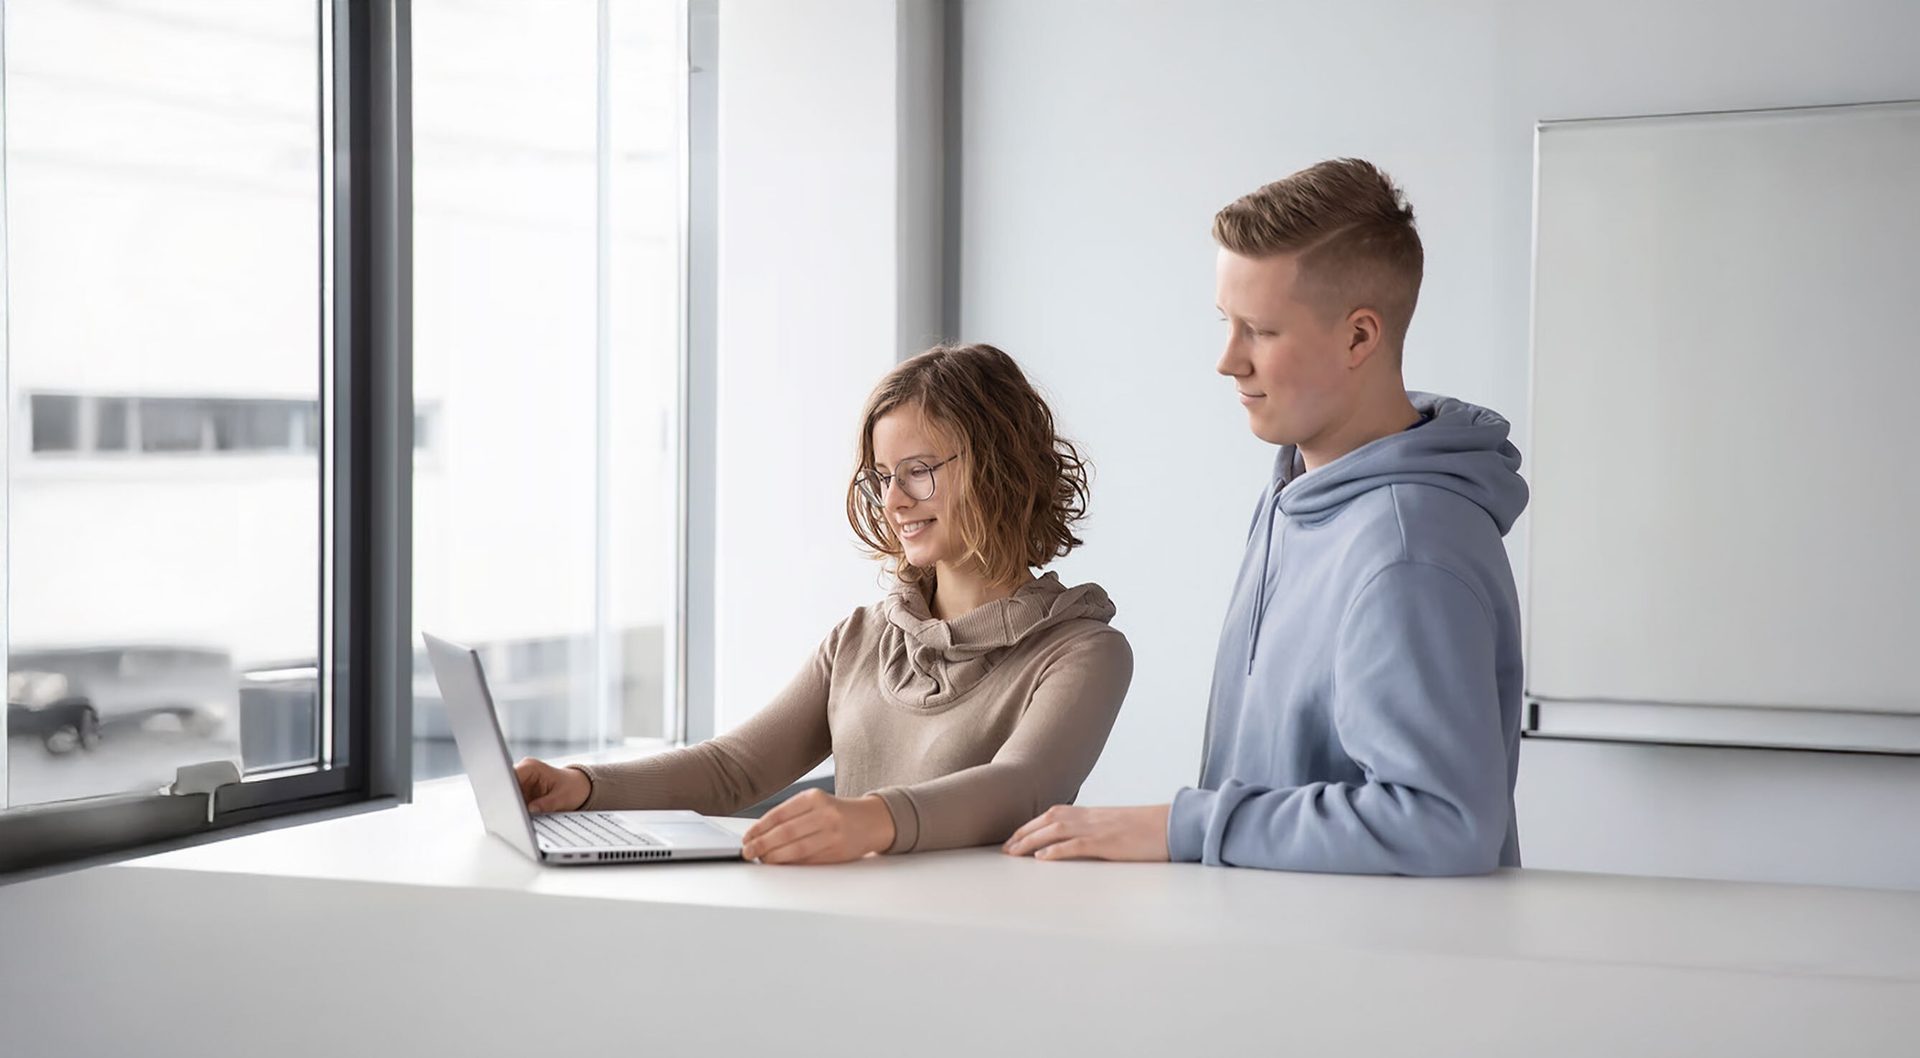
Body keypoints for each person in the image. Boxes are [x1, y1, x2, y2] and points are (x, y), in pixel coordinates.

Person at [1004, 158, 1529, 875]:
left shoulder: (1411, 548)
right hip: (1279, 957)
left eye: (1260, 331)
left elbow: (1442, 822)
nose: (1227, 360)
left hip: (1377, 976)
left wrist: (1178, 829)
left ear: (1359, 338)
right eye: (1226, 323)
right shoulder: (1295, 494)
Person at [514, 343, 1133, 864]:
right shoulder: (860, 639)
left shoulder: (1083, 651)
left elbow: (1023, 787)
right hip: (844, 942)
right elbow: (735, 769)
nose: (893, 501)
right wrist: (585, 786)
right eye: (882, 476)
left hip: (974, 958)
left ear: (1002, 467)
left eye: (918, 470)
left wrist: (870, 820)